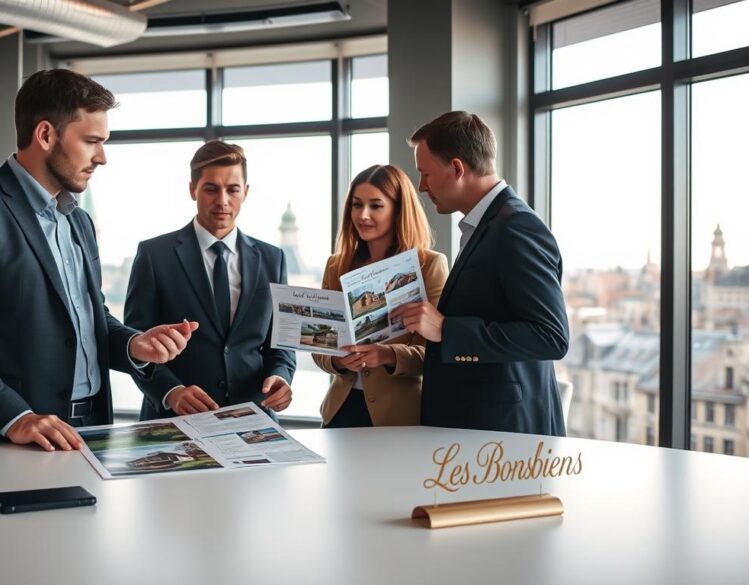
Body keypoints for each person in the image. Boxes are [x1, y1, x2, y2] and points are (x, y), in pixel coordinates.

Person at [0, 69, 197, 450]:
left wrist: (134, 345)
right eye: (92, 141)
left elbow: (88, 319)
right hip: (2, 439)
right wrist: (15, 417)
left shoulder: (78, 221)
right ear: (46, 135)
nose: (102, 157)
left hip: (91, 432)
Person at [393, 111, 569, 436]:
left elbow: (551, 337)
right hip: (482, 432)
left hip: (504, 438)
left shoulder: (516, 227)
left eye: (425, 174)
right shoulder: (488, 223)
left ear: (457, 168)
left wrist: (446, 329)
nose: (421, 186)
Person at [124, 141, 296, 420]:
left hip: (252, 419)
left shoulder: (272, 259)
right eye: (211, 189)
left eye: (233, 189)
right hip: (174, 421)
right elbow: (134, 345)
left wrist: (281, 377)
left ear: (246, 192)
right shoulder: (154, 255)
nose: (223, 201)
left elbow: (281, 343)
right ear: (193, 190)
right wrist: (171, 392)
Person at [312, 164, 447, 427]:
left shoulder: (428, 265)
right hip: (340, 410)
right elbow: (319, 347)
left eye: (376, 206)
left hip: (399, 416)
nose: (363, 215)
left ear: (398, 210)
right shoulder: (336, 266)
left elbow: (436, 352)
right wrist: (338, 361)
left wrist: (388, 355)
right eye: (356, 204)